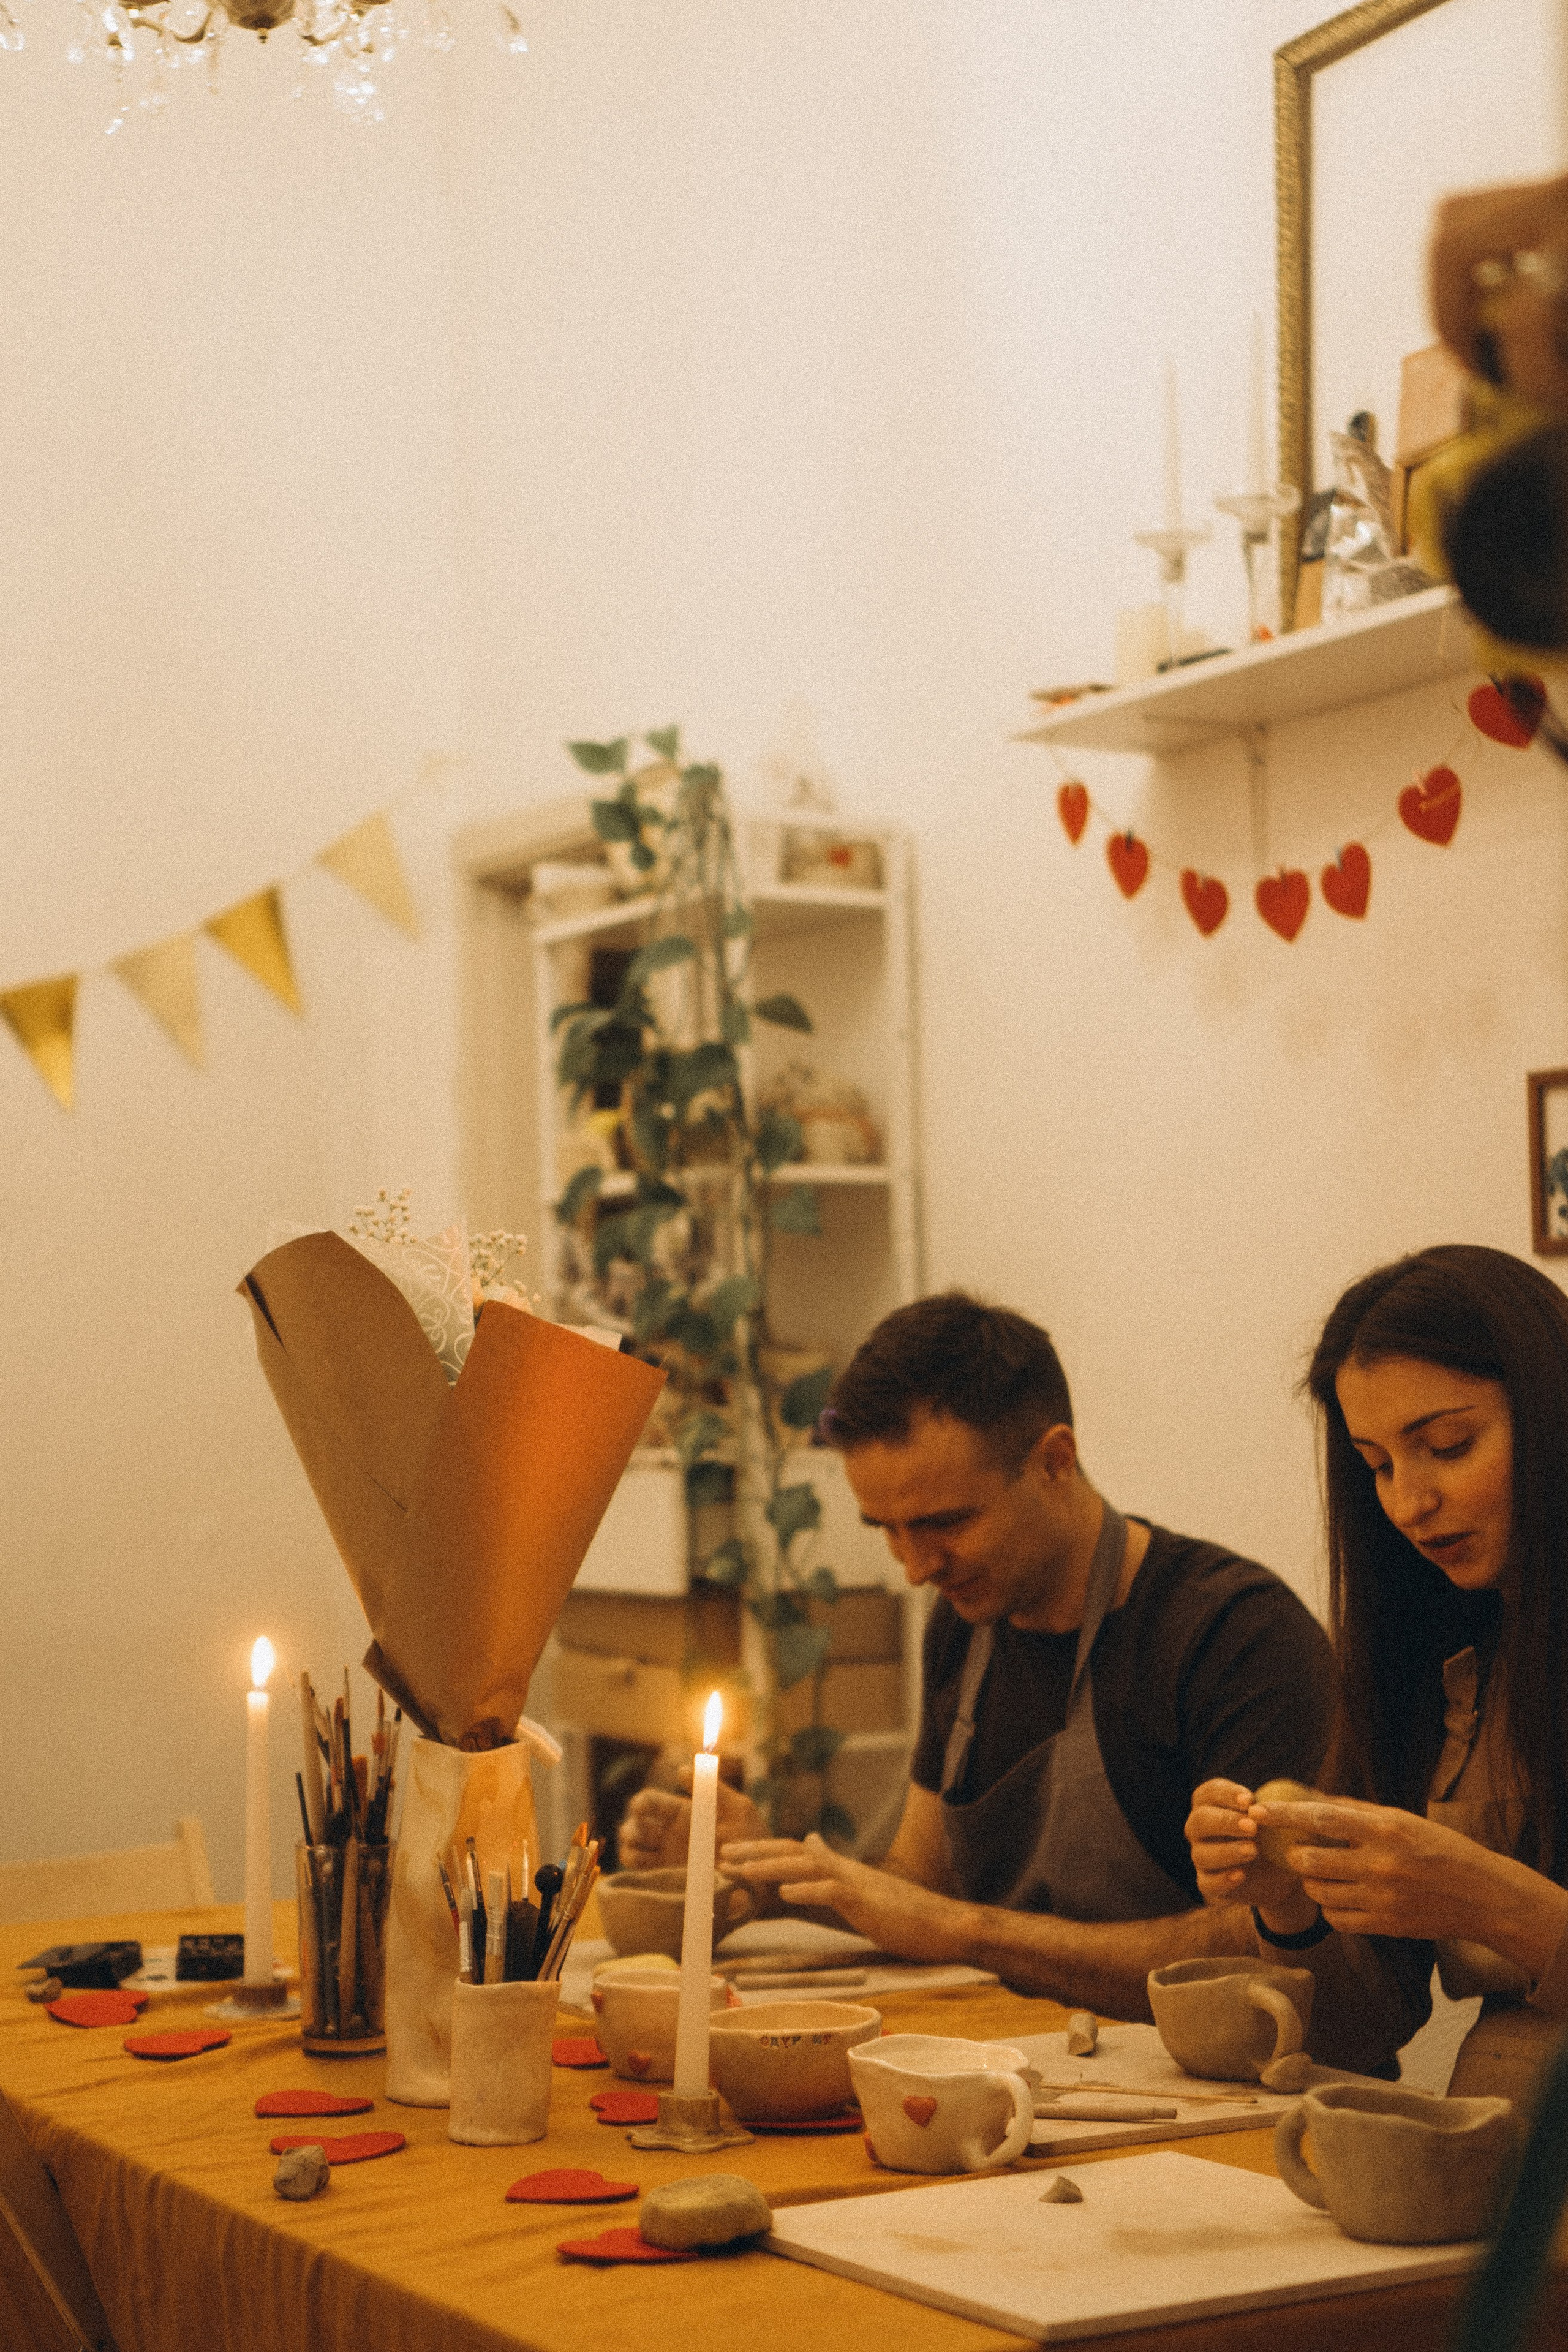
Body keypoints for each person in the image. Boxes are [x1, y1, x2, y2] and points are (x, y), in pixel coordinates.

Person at [620, 1291, 1336, 2018]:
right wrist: (770, 1869)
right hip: (1034, 2056)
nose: (914, 1567)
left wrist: (970, 1931)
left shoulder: (1234, 1634)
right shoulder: (966, 1619)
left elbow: (1265, 1947)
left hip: (1232, 2087)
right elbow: (918, 1886)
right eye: (886, 1530)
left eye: (944, 1522)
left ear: (1055, 1462)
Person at [1186, 1245, 1568, 2099]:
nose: (1407, 1503)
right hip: (1482, 2164)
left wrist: (1489, 1900)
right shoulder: (1434, 1646)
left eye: (1448, 1445)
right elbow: (1363, 2033)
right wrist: (1285, 1903)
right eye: (1378, 1465)